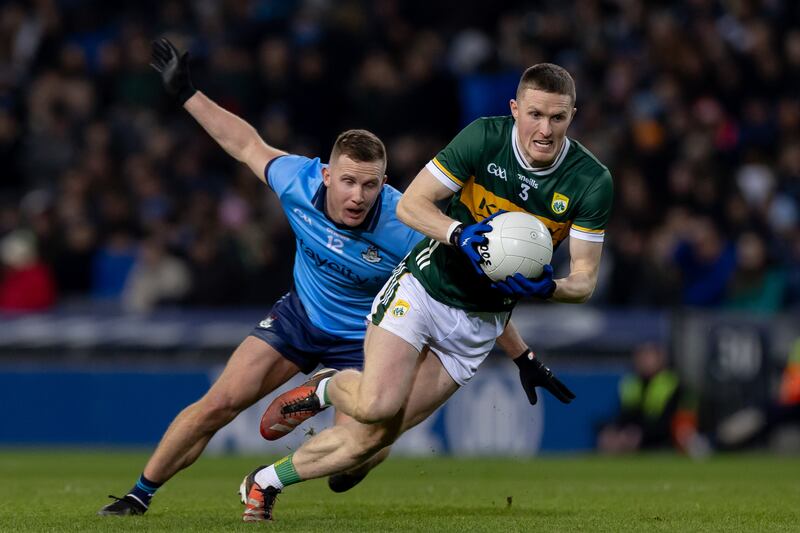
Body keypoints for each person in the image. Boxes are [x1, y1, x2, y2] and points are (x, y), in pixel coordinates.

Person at [98, 38, 532, 517]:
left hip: (370, 339)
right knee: (218, 403)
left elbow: (470, 298)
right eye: (348, 181)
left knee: (366, 449)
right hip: (300, 317)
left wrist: (521, 355)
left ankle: (325, 392)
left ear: (384, 184)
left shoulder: (408, 227)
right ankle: (139, 495)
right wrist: (186, 94)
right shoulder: (297, 181)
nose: (358, 195)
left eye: (371, 184)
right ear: (327, 175)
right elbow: (243, 143)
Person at [242, 62, 609, 522]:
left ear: (573, 115)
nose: (545, 129)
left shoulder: (591, 182)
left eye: (558, 118)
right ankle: (332, 387)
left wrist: (548, 288)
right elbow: (413, 204)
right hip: (423, 290)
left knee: (374, 438)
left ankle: (264, 481)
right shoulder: (483, 138)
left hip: (477, 326)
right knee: (377, 404)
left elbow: (585, 281)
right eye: (535, 114)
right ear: (515, 109)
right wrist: (459, 235)